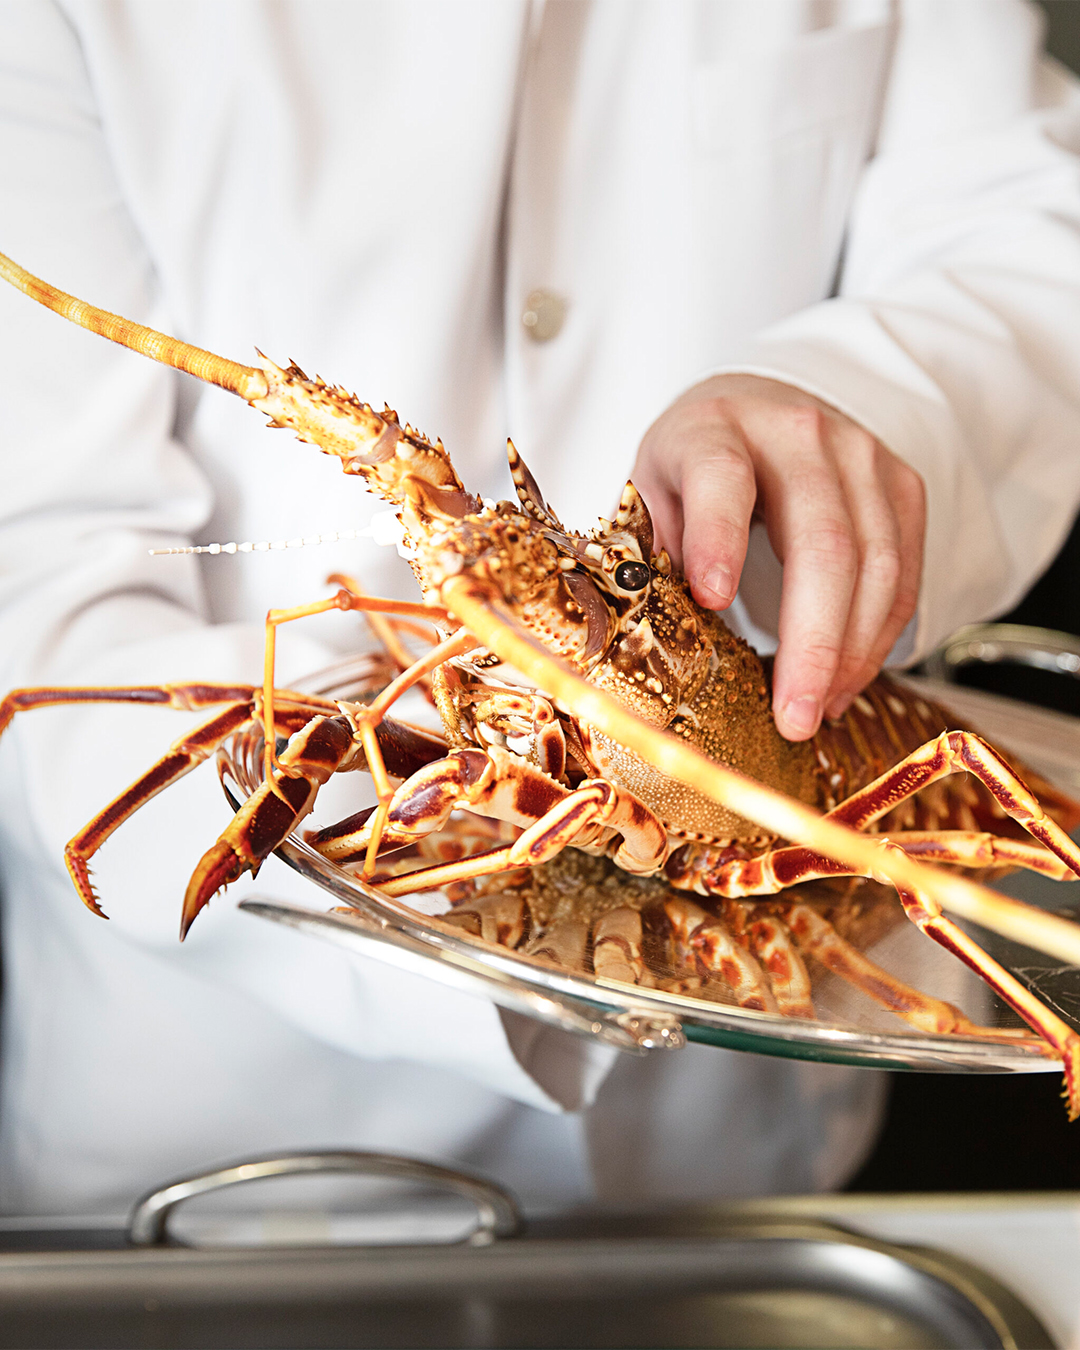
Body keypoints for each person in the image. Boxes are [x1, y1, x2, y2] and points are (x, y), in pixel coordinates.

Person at [1, 0, 1079, 1218]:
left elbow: (1028, 218)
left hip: (738, 1130)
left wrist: (876, 394)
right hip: (220, 1122)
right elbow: (48, 562)